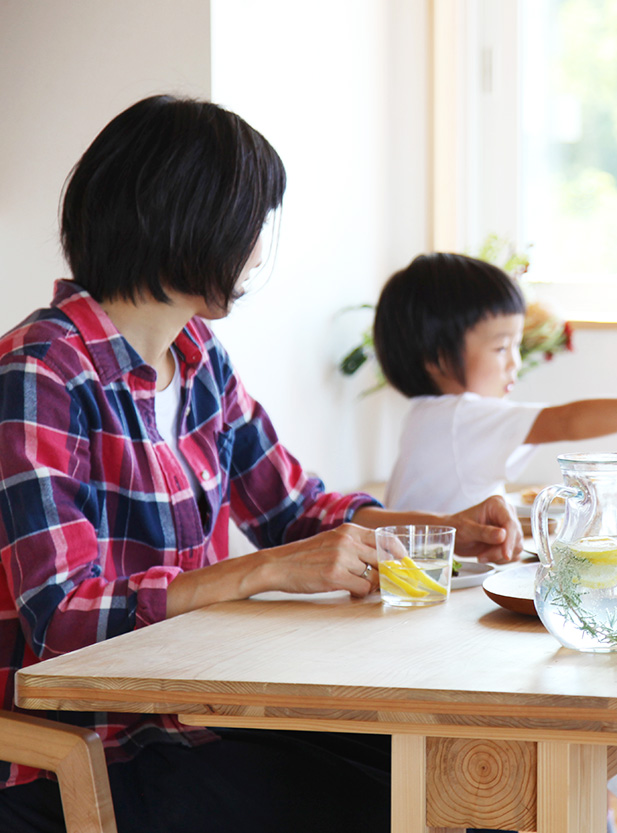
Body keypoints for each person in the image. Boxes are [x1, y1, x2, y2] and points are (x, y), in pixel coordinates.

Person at [0, 95, 520, 833]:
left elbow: (297, 509)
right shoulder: (40, 371)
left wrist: (444, 530)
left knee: (466, 772)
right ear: (180, 218)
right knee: (410, 804)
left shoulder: (196, 356)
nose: (257, 249)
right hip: (85, 750)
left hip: (195, 715)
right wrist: (267, 569)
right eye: (251, 223)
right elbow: (61, 616)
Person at [371, 252, 617, 514]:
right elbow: (570, 422)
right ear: (439, 359)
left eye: (517, 345)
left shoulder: (429, 415)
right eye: (500, 348)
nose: (515, 362)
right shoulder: (462, 416)